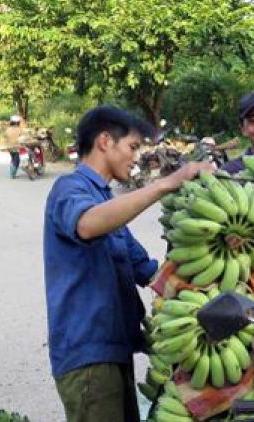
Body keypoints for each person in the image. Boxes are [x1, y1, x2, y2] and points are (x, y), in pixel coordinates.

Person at [43, 105, 214, 422]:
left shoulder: (109, 202)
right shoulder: (70, 189)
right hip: (87, 355)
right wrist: (165, 183)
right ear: (105, 141)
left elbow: (150, 272)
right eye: (133, 147)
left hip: (114, 349)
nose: (137, 158)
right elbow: (87, 224)